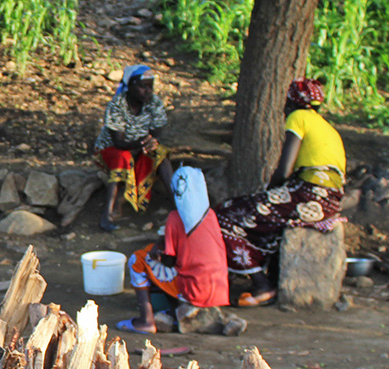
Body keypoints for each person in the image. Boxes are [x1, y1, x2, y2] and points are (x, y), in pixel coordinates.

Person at [215, 77, 346, 306]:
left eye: (286, 102)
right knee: (260, 216)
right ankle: (264, 275)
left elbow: (283, 170)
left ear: (291, 102)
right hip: (327, 202)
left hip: (308, 194)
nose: (285, 108)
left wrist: (268, 192)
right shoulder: (327, 127)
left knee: (225, 214)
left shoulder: (298, 117)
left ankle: (261, 284)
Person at [117, 166, 241, 336]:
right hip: (218, 288)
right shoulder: (210, 215)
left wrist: (158, 251)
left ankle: (146, 320)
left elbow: (169, 261)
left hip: (195, 289)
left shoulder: (175, 218)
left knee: (137, 260)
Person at [96, 64, 173, 232]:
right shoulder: (116, 105)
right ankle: (107, 214)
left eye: (150, 86)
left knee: (161, 155)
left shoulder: (154, 103)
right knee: (122, 157)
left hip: (139, 147)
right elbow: (118, 142)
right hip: (112, 150)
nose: (148, 91)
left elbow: (156, 131)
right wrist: (142, 143)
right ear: (129, 86)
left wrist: (151, 142)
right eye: (142, 86)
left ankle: (177, 207)